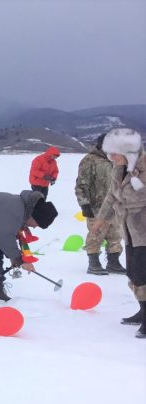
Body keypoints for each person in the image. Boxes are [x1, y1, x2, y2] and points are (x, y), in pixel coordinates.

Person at [90, 128, 146, 338]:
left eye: (114, 153)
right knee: (133, 272)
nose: (111, 157)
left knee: (142, 273)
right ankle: (143, 310)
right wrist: (100, 219)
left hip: (144, 229)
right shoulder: (118, 168)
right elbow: (112, 196)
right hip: (130, 230)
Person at [75, 133, 125, 275]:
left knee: (116, 235)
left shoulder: (116, 160)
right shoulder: (89, 160)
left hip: (115, 206)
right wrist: (84, 205)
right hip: (97, 207)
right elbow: (81, 185)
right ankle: (94, 263)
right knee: (96, 234)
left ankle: (113, 262)